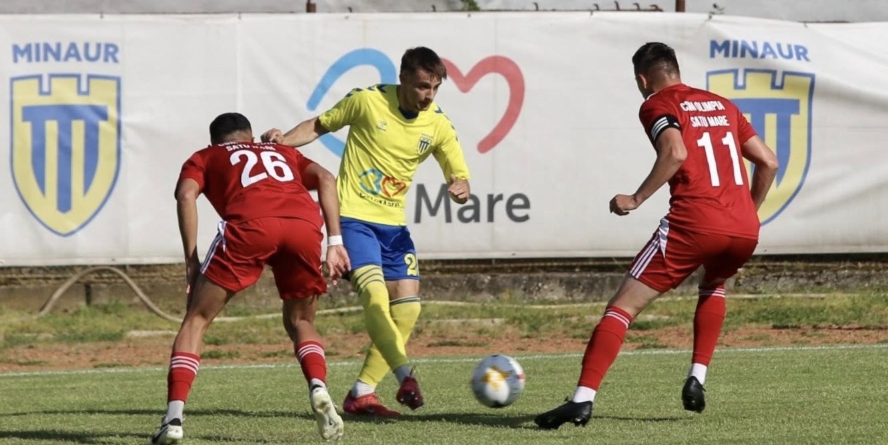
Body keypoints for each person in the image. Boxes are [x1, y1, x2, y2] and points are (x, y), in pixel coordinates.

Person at [534, 42, 780, 430]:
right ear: (676, 69)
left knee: (622, 307)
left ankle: (581, 400)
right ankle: (697, 376)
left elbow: (675, 152)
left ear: (643, 79)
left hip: (694, 224)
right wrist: (747, 213)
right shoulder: (722, 105)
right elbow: (768, 161)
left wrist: (636, 198)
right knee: (713, 285)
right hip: (744, 229)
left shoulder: (657, 104)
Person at [262, 46, 471, 417]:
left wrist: (461, 186)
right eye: (422, 86)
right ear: (403, 78)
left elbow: (458, 171)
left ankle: (362, 393)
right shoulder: (367, 101)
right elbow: (318, 125)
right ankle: (405, 376)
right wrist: (282, 142)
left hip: (395, 228)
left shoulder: (438, 124)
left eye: (435, 88)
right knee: (375, 297)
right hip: (353, 219)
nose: (429, 95)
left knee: (409, 309)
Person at [149, 112, 350, 444]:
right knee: (301, 320)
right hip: (302, 226)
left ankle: (173, 419)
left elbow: (185, 195)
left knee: (197, 318)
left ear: (215, 141)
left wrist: (191, 262)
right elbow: (327, 179)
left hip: (251, 226)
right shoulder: (282, 150)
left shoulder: (206, 156)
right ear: (251, 137)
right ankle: (318, 386)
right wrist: (335, 243)